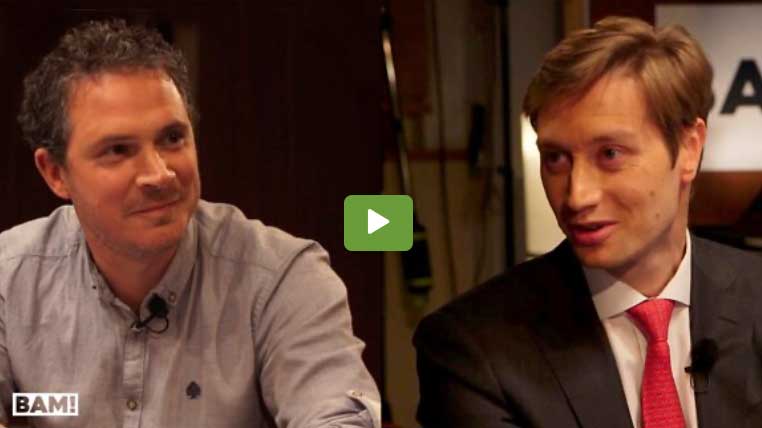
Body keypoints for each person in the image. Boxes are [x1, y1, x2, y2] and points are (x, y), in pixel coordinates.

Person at [0, 19, 380, 428]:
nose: (159, 174)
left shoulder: (281, 278)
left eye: (172, 139)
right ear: (55, 172)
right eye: (118, 150)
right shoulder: (9, 279)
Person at [415, 16, 762, 428]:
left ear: (689, 148)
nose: (577, 196)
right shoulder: (472, 351)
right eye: (556, 158)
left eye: (609, 154)